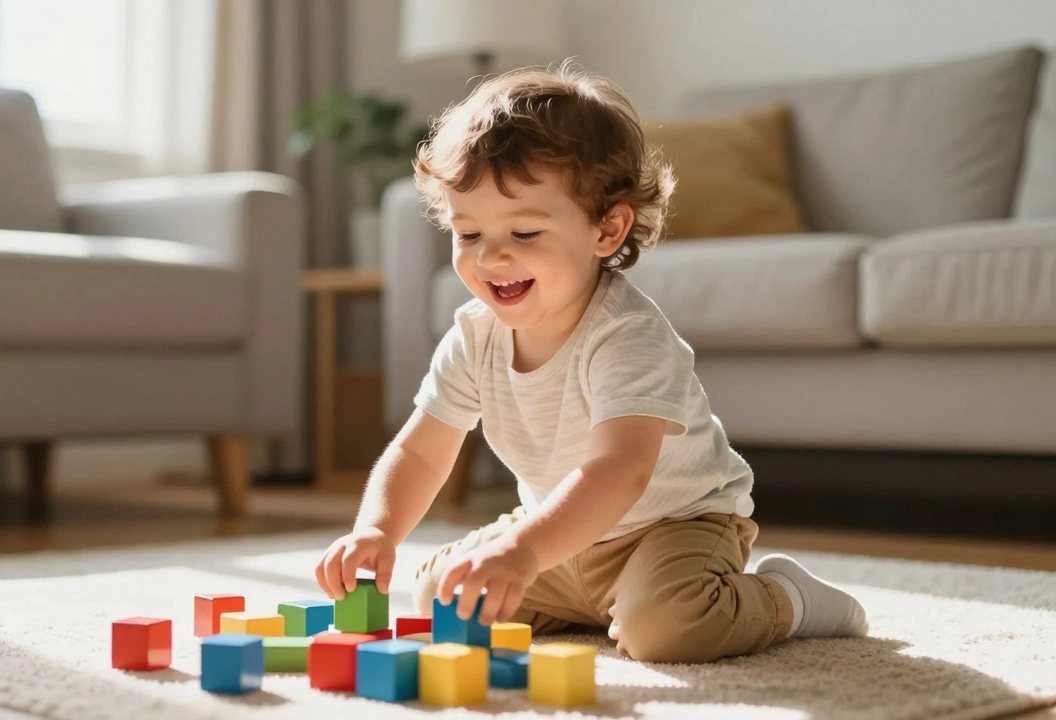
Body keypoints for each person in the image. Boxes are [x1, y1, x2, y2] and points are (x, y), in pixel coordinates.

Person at [314, 61, 867, 663]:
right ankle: (588, 602)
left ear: (607, 230)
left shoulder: (627, 336)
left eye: (524, 234)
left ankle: (788, 597)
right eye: (468, 234)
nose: (493, 257)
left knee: (667, 630)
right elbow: (421, 451)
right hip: (561, 533)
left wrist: (523, 550)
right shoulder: (474, 337)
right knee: (436, 602)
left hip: (672, 528)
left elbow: (618, 471)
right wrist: (377, 529)